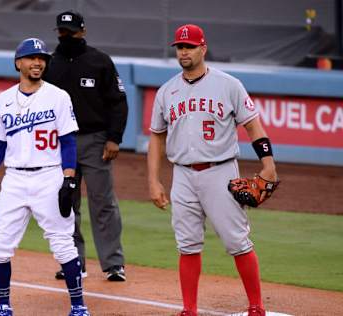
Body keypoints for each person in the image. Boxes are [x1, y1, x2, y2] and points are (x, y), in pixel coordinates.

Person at [147, 24, 278, 316]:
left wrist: (268, 163)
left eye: (190, 46)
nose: (184, 52)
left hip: (221, 172)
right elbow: (156, 135)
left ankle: (256, 307)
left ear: (203, 48)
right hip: (182, 174)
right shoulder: (167, 91)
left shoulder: (228, 84)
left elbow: (252, 124)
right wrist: (154, 180)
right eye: (180, 47)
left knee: (237, 241)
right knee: (187, 244)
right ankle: (189, 309)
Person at [0, 37, 90, 316]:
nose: (38, 62)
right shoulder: (4, 100)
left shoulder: (58, 96)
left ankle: (78, 306)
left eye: (42, 59)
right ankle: (3, 306)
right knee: (0, 246)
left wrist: (69, 178)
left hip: (49, 177)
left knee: (63, 243)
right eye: (31, 58)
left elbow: (68, 141)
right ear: (19, 63)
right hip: (14, 180)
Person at [44, 11, 129, 282]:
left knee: (102, 202)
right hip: (59, 143)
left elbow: (118, 101)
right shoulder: (50, 64)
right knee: (66, 201)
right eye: (61, 31)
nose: (65, 35)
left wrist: (114, 138)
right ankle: (73, 261)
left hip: (94, 139)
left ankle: (113, 263)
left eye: (70, 31)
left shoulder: (99, 61)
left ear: (82, 31)